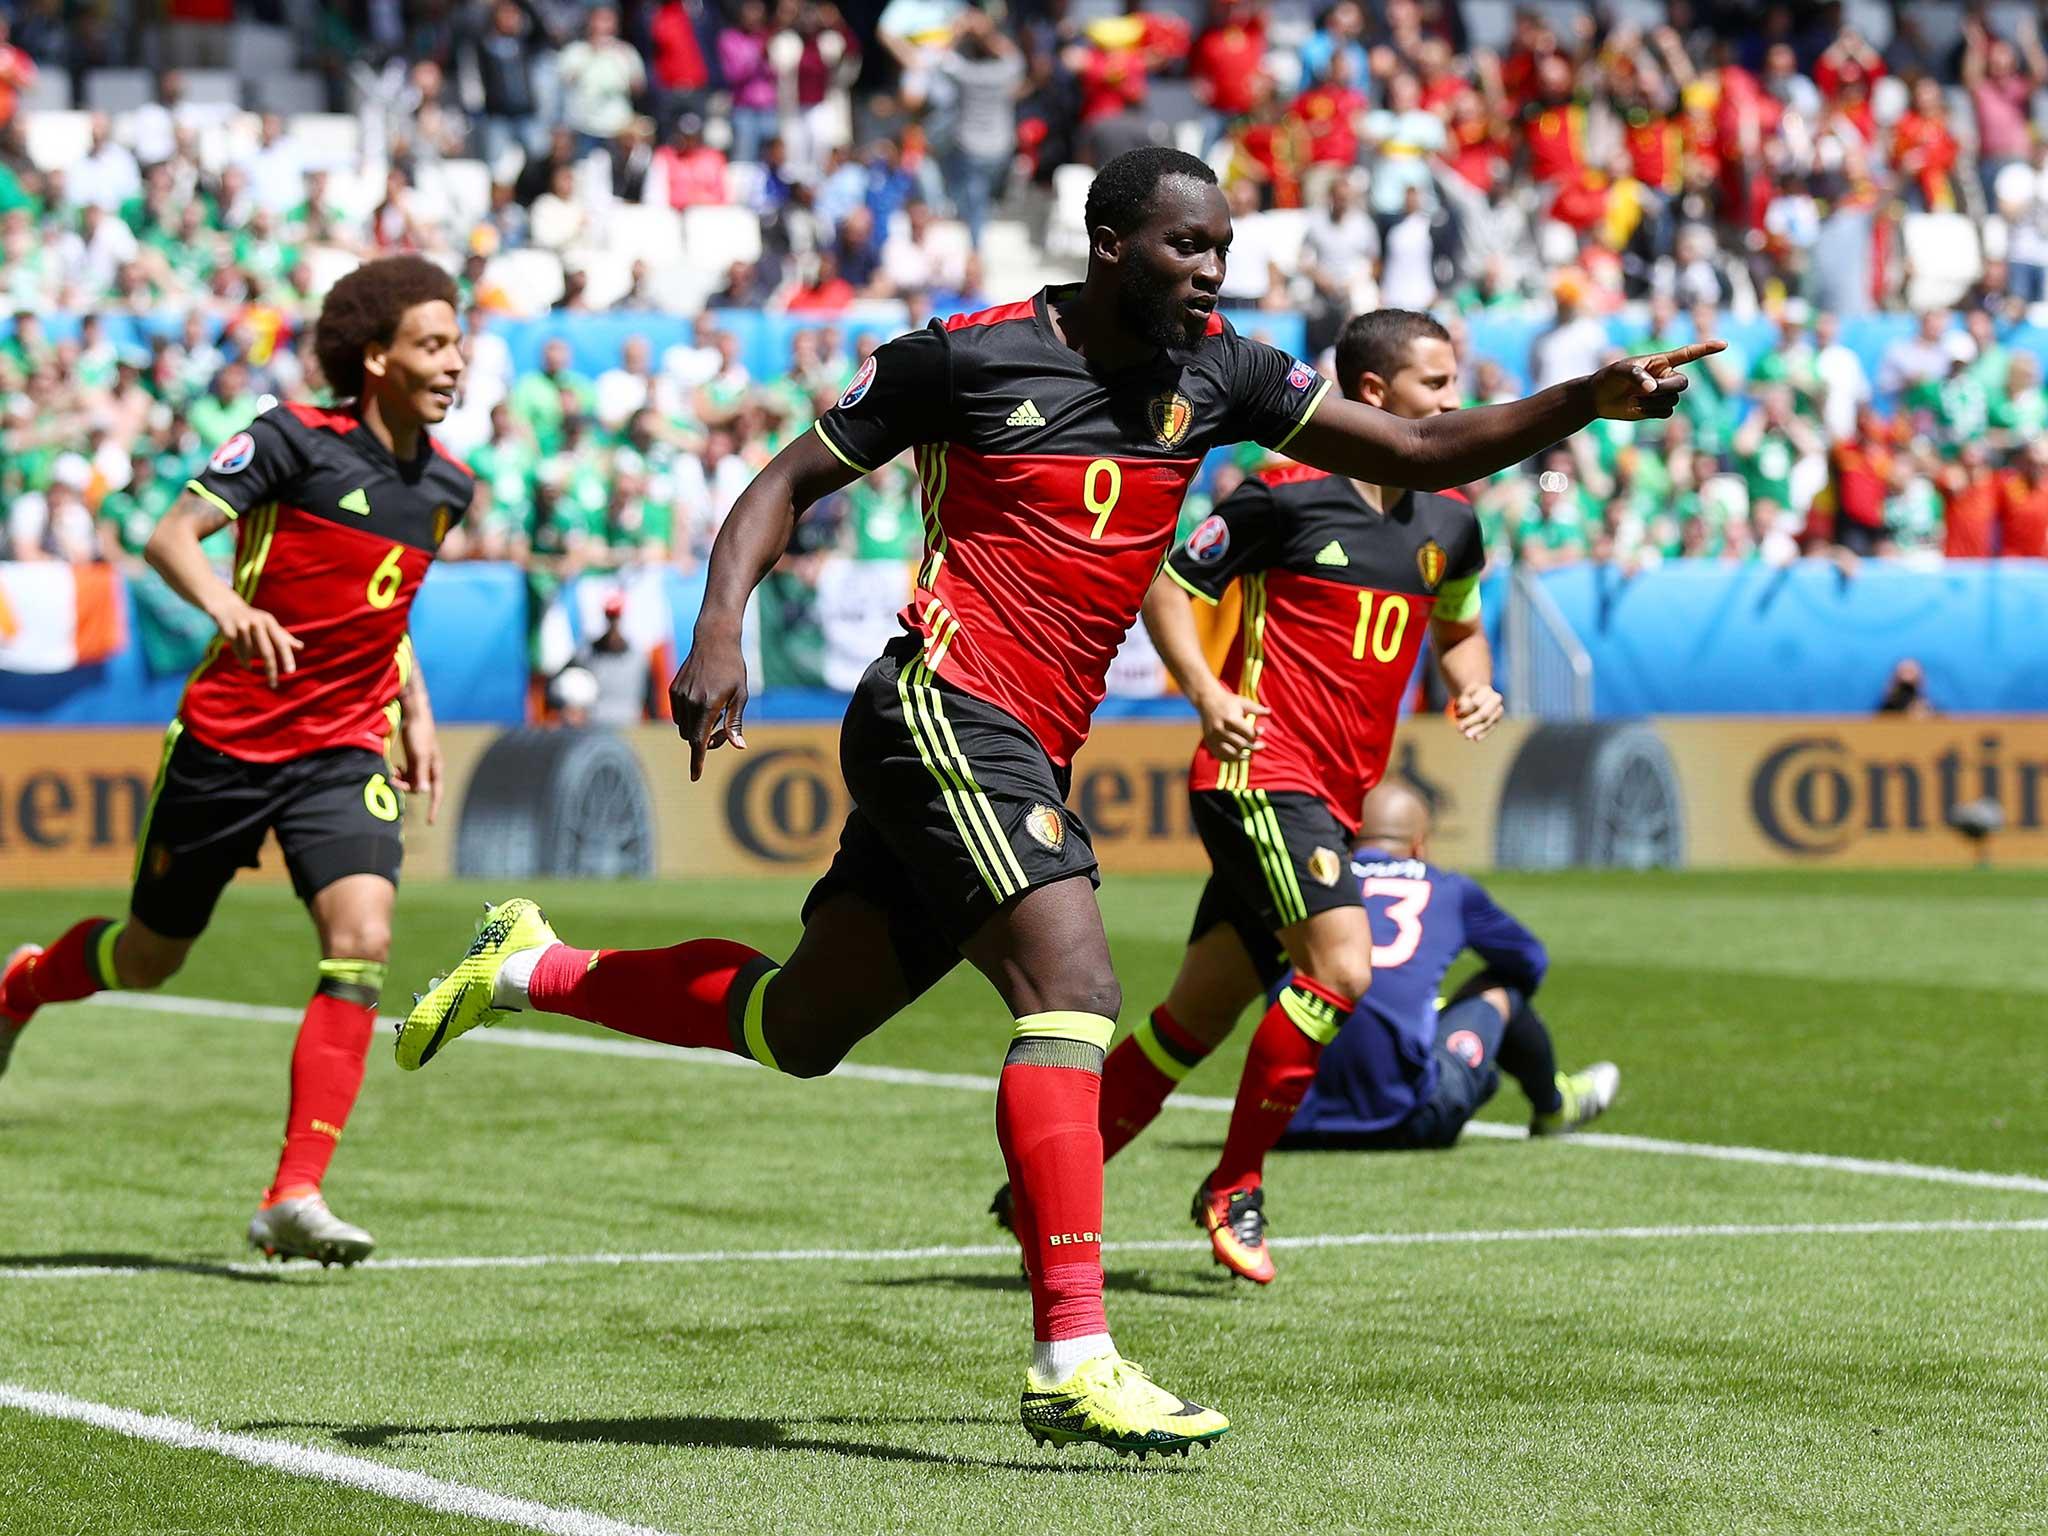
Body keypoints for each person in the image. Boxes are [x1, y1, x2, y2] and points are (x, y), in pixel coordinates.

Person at [396, 147, 1715, 1455]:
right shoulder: (961, 359)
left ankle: (533, 965)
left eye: (1223, 252)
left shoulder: (1228, 376)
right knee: (1074, 991)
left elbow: (1428, 446)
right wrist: (720, 629)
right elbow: (782, 484)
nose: (1211, 274)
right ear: (1108, 244)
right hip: (940, 707)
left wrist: (1584, 401)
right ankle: (1073, 1354)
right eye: (1186, 248)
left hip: (1023, 742)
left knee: (798, 1025)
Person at [991, 309, 1501, 1285]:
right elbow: (1164, 584)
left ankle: (1041, 1186)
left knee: (1195, 1015)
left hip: (1330, 799)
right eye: (1434, 385)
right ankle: (1233, 1185)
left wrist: (1470, 680)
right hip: (1258, 776)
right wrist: (1209, 690)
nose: (1451, 401)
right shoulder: (1281, 498)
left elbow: (1456, 628)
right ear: (1371, 394)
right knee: (1340, 971)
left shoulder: (1448, 521)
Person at [0, 256, 473, 1268]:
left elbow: (384, 614)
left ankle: (295, 1193)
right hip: (229, 738)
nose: (454, 361)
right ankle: (23, 987)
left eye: (457, 343)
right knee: (147, 958)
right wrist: (228, 606)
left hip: (343, 745)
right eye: (433, 344)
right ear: (376, 357)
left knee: (362, 939)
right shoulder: (291, 438)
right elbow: (172, 536)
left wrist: (418, 712)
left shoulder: (446, 487)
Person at [1275, 781, 1617, 1150]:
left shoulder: (1305, 883)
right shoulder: (1449, 889)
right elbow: (1529, 962)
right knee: (1503, 990)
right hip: (1410, 1120)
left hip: (1285, 1121)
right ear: (1420, 845)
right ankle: (1555, 1106)